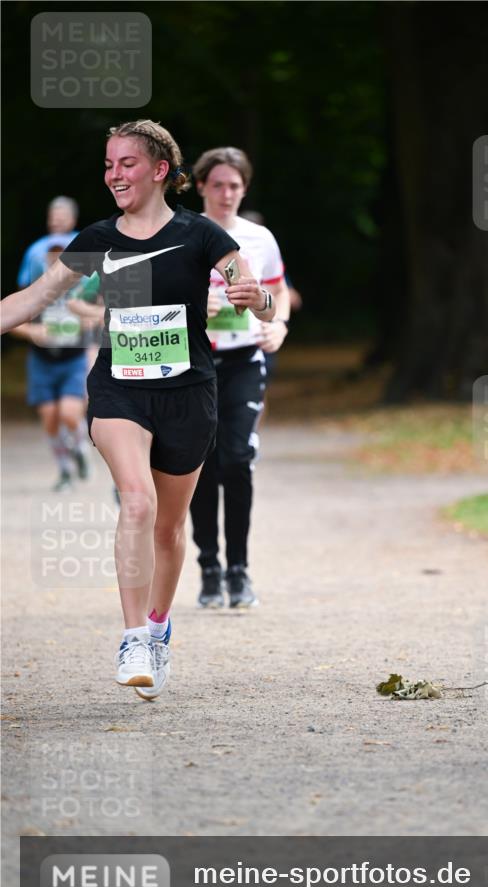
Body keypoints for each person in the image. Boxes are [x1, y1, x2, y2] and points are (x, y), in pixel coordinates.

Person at [0, 120, 276, 699]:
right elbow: (35, 298)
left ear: (158, 171)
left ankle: (157, 626)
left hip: (189, 391)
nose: (113, 175)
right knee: (137, 501)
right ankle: (132, 639)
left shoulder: (201, 234)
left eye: (126, 164)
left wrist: (259, 300)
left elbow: (254, 289)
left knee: (171, 527)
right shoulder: (99, 238)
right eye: (108, 165)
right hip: (119, 388)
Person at [189, 147, 290, 609]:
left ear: (244, 188)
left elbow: (276, 290)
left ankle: (240, 570)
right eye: (217, 185)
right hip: (193, 363)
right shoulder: (182, 233)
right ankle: (209, 568)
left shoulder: (259, 238)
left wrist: (278, 323)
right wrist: (194, 306)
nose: (226, 194)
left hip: (245, 358)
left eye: (234, 186)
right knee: (201, 465)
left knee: (237, 457)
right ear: (201, 186)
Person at [10, 243, 96, 490]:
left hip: (73, 360)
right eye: (52, 260)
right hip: (42, 361)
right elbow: (14, 321)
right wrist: (33, 331)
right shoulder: (34, 291)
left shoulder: (82, 289)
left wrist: (76, 325)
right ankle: (64, 471)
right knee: (50, 418)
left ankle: (79, 450)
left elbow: (98, 318)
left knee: (70, 413)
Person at [17, 196, 79, 287]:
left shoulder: (87, 241)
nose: (55, 223)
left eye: (61, 219)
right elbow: (23, 285)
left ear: (73, 220)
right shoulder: (35, 249)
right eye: (53, 219)